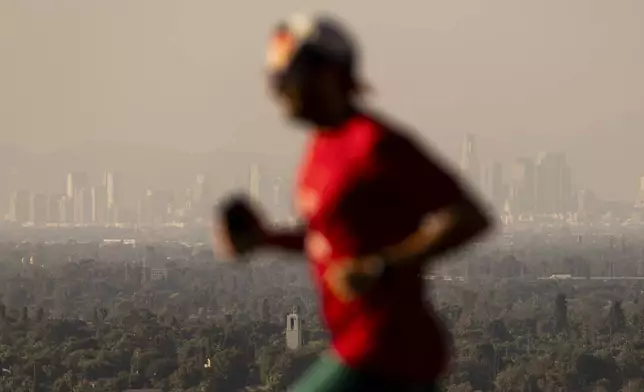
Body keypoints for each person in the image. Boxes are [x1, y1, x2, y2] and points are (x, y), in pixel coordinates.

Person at [214, 13, 492, 392]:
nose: (277, 91)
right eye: (273, 80)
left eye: (285, 78)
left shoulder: (374, 144)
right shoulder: (318, 150)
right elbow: (330, 240)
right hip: (358, 348)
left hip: (388, 350)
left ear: (326, 74)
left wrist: (383, 267)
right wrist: (265, 240)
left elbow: (469, 217)